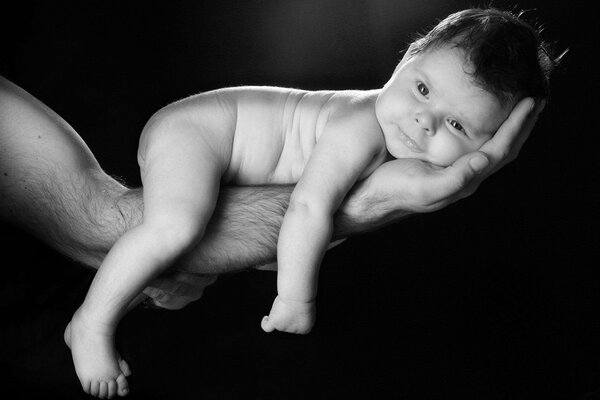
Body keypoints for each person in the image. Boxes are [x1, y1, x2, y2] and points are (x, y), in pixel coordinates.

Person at [0, 12, 549, 400]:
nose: (421, 120)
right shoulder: (361, 128)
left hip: (224, 155)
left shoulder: (395, 133)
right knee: (175, 224)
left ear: (487, 143)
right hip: (197, 134)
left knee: (197, 253)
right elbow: (307, 210)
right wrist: (295, 296)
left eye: (457, 124)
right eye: (423, 89)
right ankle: (89, 325)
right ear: (407, 59)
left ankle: (142, 283)